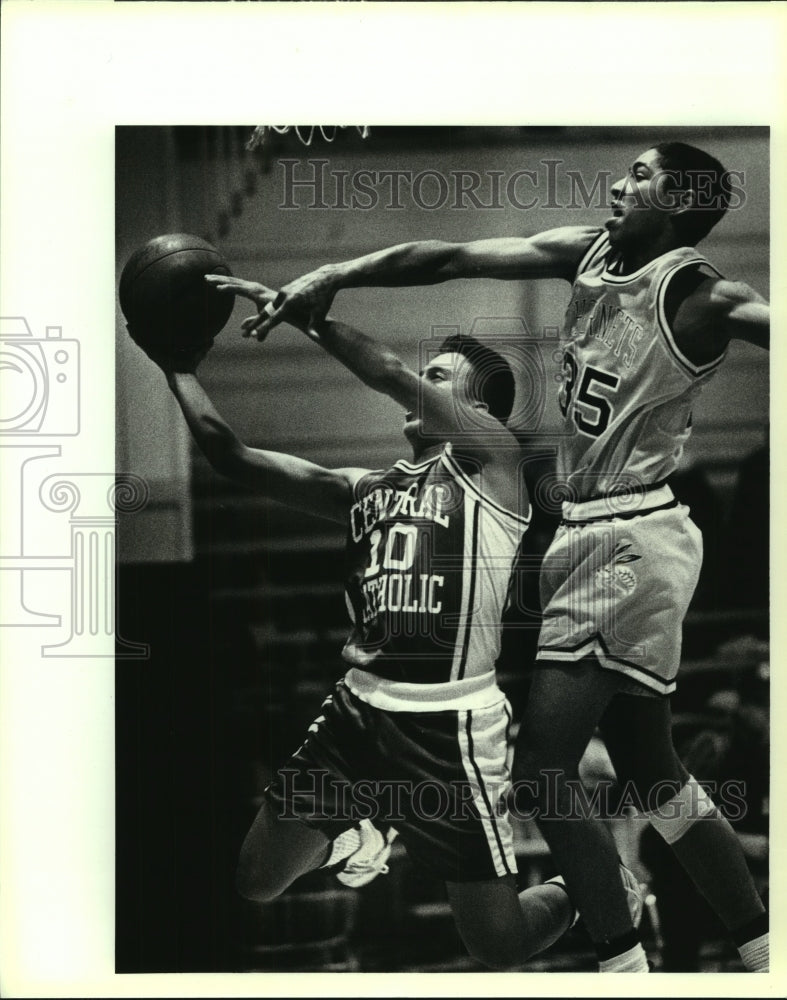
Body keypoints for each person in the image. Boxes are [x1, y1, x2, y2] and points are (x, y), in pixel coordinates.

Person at [212, 140, 770, 973]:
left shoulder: (701, 294)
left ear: (683, 204)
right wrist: (337, 272)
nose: (619, 183)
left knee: (546, 767)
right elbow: (445, 255)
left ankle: (624, 966)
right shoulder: (586, 252)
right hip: (588, 537)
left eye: (643, 177)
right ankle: (763, 949)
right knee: (649, 768)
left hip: (628, 534)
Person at [128, 298, 642, 971]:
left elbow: (392, 372)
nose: (421, 387)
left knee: (497, 945)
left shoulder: (494, 469)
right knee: (254, 880)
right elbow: (232, 458)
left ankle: (598, 890)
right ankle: (357, 834)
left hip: (450, 727)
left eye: (440, 378)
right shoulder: (361, 488)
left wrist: (308, 317)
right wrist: (176, 367)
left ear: (475, 410)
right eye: (426, 375)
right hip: (357, 712)